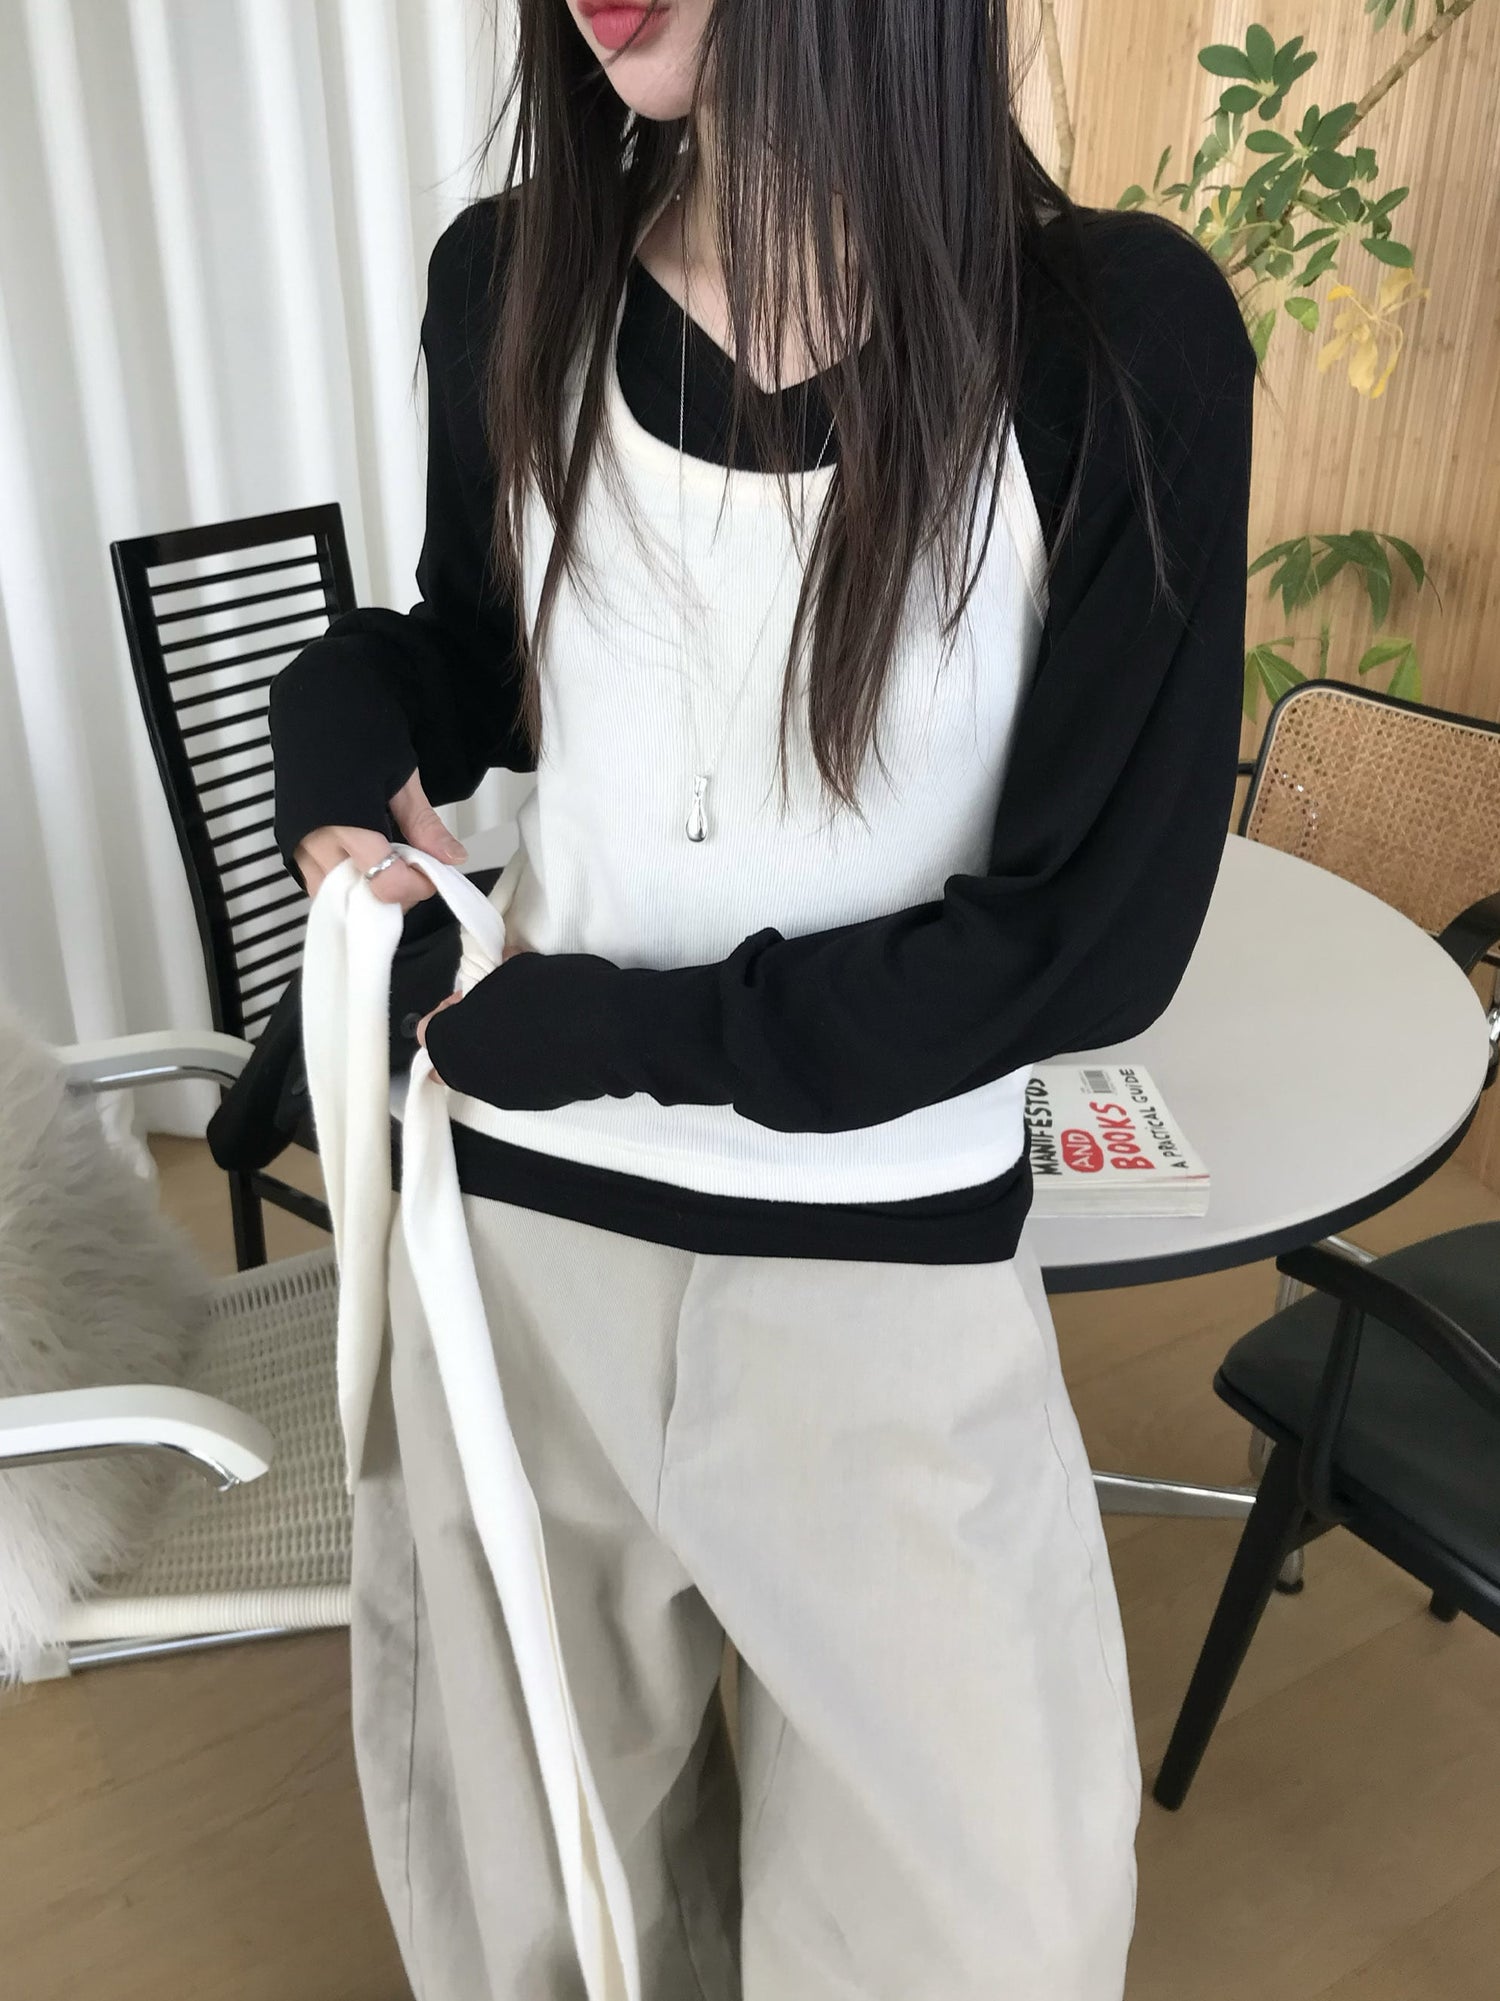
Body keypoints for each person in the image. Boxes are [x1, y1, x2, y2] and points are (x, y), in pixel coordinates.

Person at [269, 1, 1256, 1994]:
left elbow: (1092, 935)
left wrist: (621, 1029)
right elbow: (491, 660)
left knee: (973, 1926)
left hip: (883, 1270)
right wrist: (341, 712)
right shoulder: (513, 280)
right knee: (548, 1884)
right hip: (530, 1251)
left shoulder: (1111, 338)